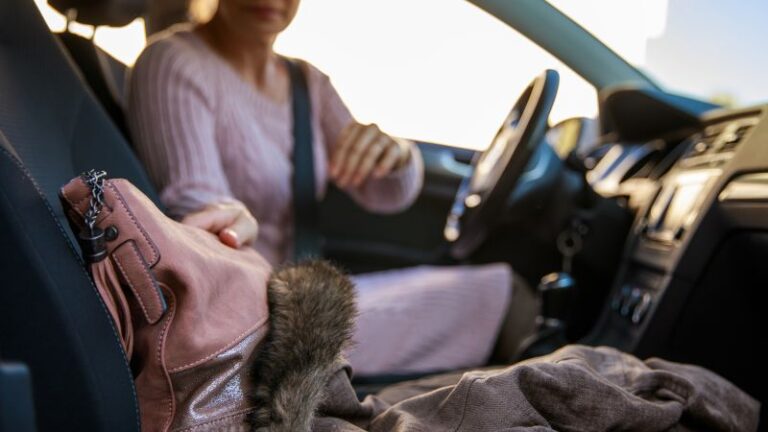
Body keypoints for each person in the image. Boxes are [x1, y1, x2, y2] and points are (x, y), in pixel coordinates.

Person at [127, 0, 526, 376]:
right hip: (257, 325)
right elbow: (196, 204)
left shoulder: (307, 82)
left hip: (301, 296)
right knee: (503, 293)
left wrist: (395, 155)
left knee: (496, 285)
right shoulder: (173, 62)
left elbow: (383, 195)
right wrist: (230, 222)